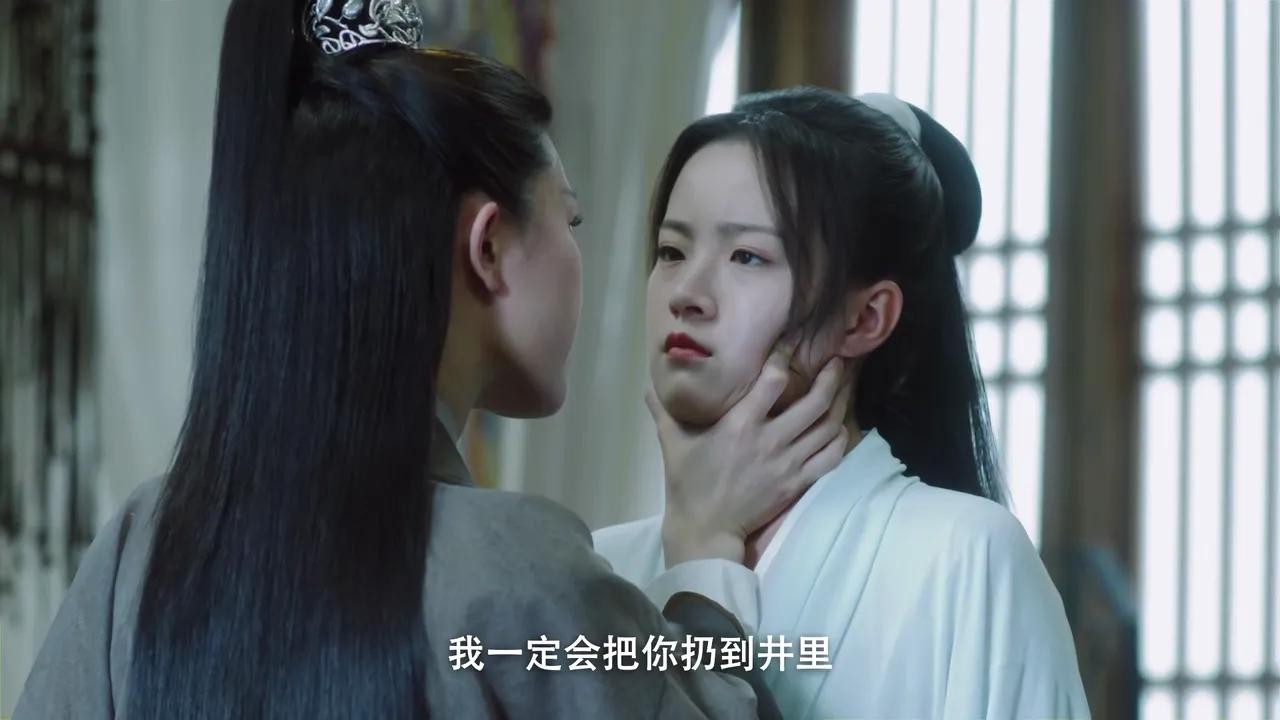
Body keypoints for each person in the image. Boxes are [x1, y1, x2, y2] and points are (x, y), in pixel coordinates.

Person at [13, 1, 850, 717]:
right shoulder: (517, 568)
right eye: (572, 219)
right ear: (488, 247)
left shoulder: (137, 555)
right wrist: (702, 555)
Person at [594, 87, 1091, 719]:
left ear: (865, 318)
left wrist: (701, 558)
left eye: (747, 256)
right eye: (672, 251)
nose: (686, 292)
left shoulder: (968, 558)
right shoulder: (595, 564)